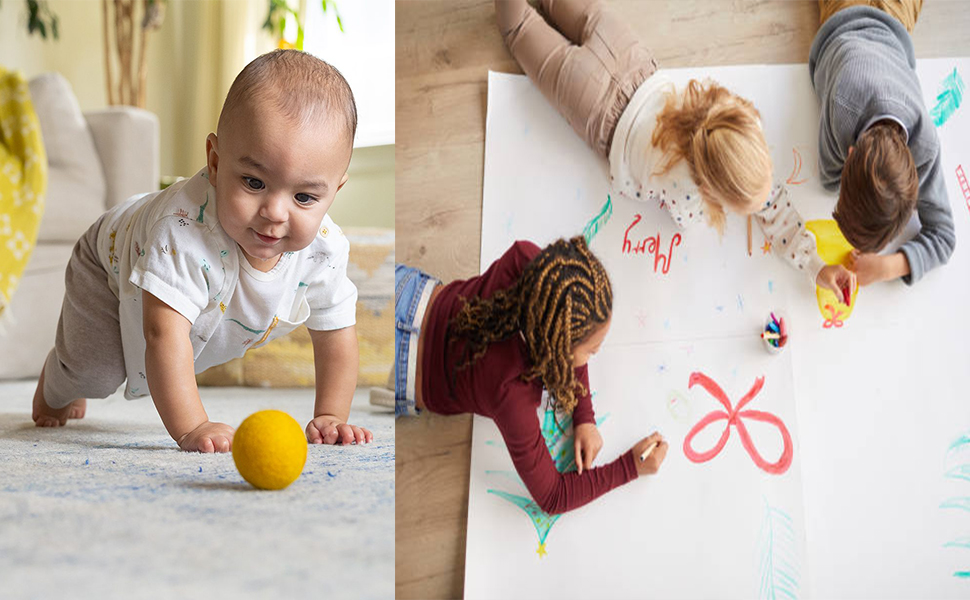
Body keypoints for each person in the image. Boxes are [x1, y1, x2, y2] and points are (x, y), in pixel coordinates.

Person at [31, 49, 373, 452]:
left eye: (303, 196)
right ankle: (55, 381)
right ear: (214, 161)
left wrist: (332, 415)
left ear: (333, 192)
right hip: (108, 261)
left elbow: (336, 331)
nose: (275, 213)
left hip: (166, 264)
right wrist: (192, 426)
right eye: (254, 183)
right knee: (97, 372)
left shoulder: (323, 250)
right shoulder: (182, 234)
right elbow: (162, 334)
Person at [494, 0, 856, 297]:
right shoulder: (689, 193)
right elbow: (694, 223)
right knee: (519, 28)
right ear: (711, 190)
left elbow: (763, 193)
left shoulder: (735, 119)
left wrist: (816, 265)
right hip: (594, 106)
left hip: (625, 53)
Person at [396, 236, 668, 514]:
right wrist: (629, 466)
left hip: (407, 292)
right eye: (592, 351)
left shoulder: (526, 261)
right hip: (398, 369)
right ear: (558, 345)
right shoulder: (510, 391)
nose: (591, 358)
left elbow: (564, 312)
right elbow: (553, 496)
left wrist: (584, 415)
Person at [810, 0, 955, 285]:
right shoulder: (842, 107)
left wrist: (889, 266)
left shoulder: (924, 147)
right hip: (848, 15)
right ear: (850, 154)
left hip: (887, 23)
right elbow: (828, 181)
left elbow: (945, 235)